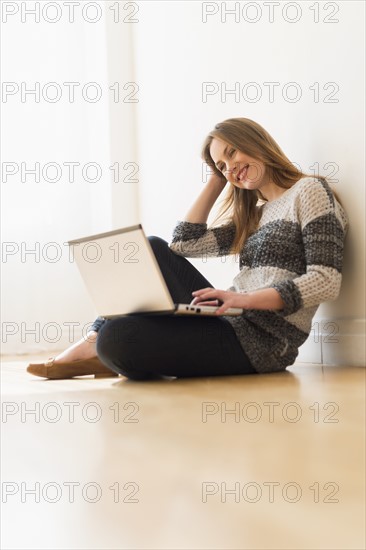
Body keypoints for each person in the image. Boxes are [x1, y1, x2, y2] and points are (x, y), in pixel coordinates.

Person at [27, 117, 348, 380]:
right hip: (230, 319)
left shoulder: (309, 191)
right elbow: (184, 243)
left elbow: (325, 279)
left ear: (257, 143)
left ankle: (102, 346)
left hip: (265, 342)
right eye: (222, 165)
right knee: (151, 249)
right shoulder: (256, 214)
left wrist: (244, 299)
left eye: (234, 153)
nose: (231, 167)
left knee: (119, 338)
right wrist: (217, 180)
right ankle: (95, 339)